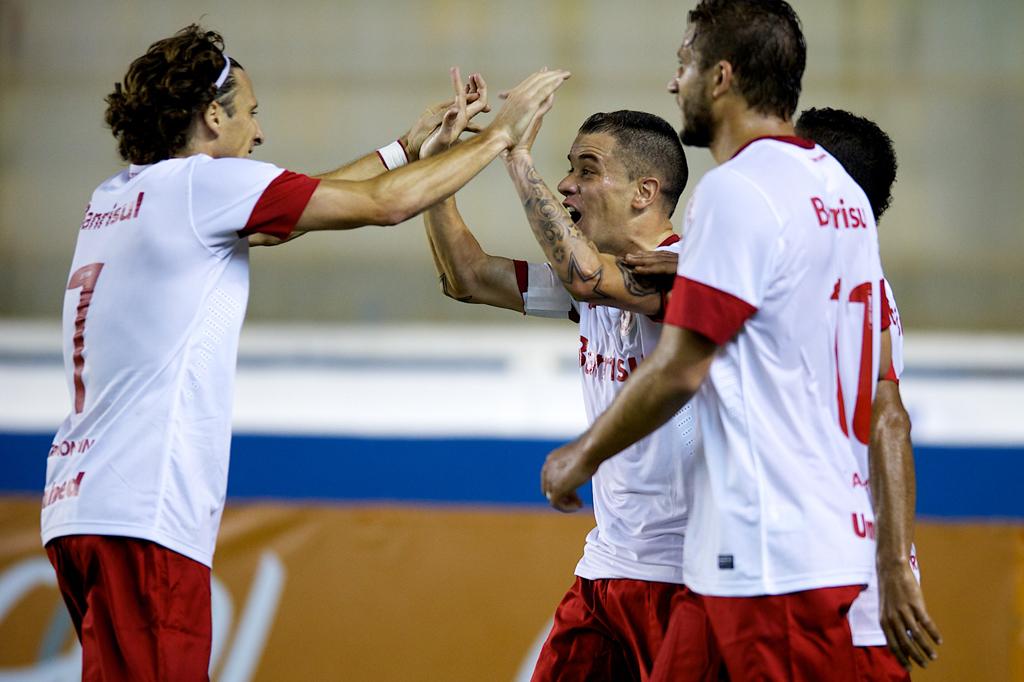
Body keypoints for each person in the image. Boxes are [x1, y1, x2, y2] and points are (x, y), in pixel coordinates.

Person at [41, 24, 569, 681]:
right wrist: (498, 138)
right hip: (143, 511)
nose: (258, 134)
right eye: (252, 113)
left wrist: (408, 148)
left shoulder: (120, 197)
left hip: (81, 505)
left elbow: (307, 201)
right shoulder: (199, 188)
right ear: (212, 116)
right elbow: (381, 207)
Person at [539, 1, 888, 679]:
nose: (677, 83)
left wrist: (578, 457)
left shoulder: (738, 191)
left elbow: (680, 368)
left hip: (772, 558)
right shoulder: (839, 197)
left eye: (685, 64)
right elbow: (886, 402)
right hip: (806, 545)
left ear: (721, 76)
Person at [625, 107, 944, 678]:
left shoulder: (843, 285)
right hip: (768, 568)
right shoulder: (835, 278)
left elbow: (889, 421)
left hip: (829, 586)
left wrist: (892, 564)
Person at [419, 76, 718, 680]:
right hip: (606, 568)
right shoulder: (597, 284)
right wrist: (437, 174)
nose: (566, 185)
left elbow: (585, 277)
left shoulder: (690, 271)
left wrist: (516, 153)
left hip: (685, 576)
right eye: (565, 167)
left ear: (645, 193)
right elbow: (469, 277)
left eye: (586, 169)